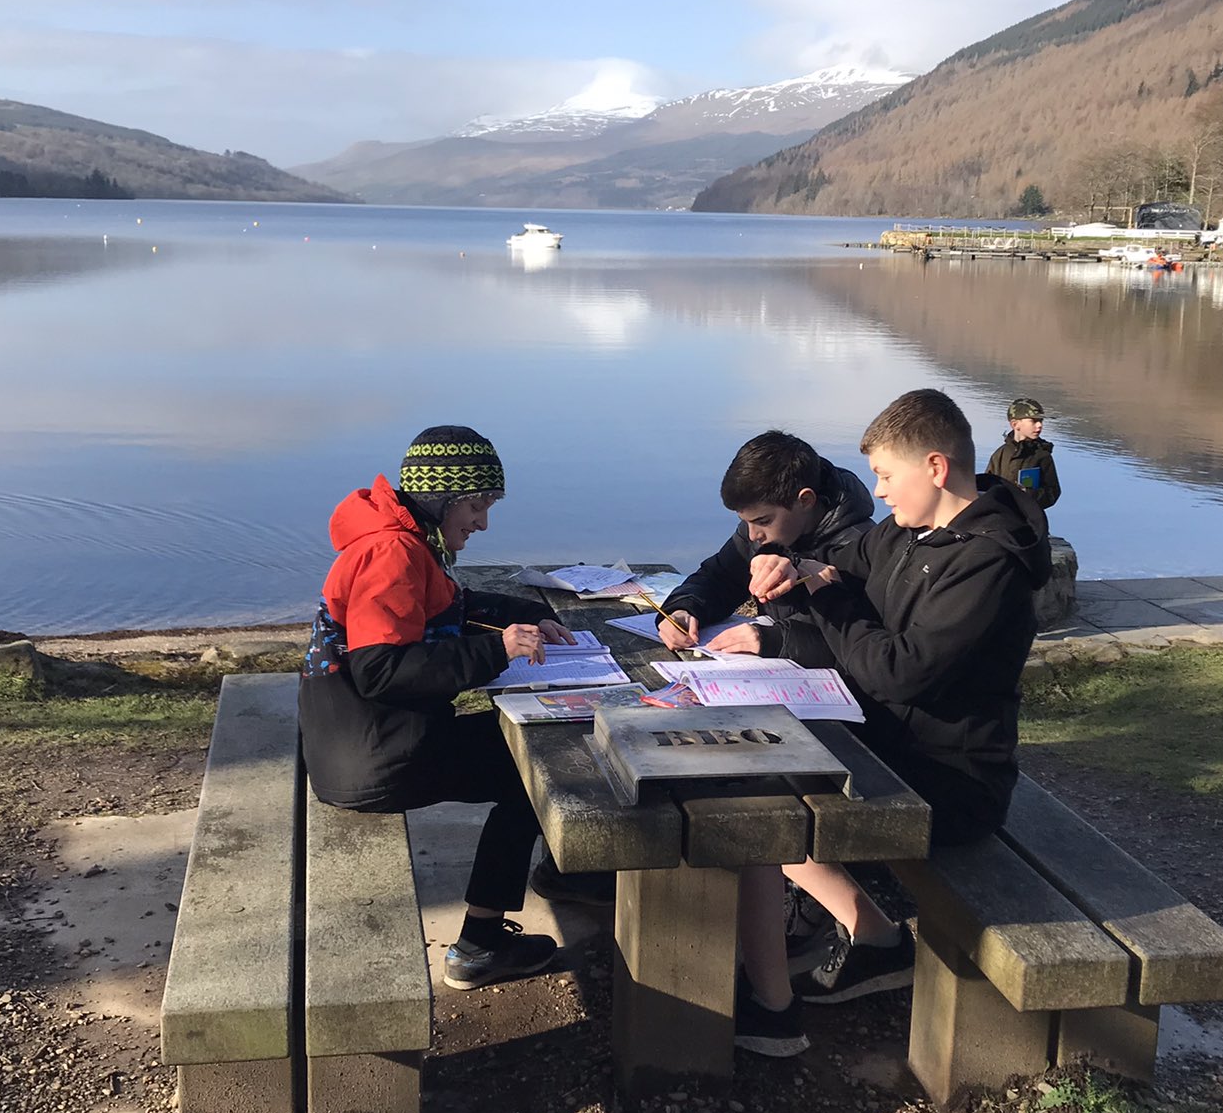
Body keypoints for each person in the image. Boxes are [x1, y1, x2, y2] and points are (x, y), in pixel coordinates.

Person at [710, 388, 1053, 1055]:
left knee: (750, 811)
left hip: (950, 782)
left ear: (933, 467)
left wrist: (823, 600)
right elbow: (838, 571)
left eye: (886, 476)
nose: (877, 491)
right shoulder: (904, 534)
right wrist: (797, 569)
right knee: (739, 773)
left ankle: (772, 1010)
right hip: (891, 744)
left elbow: (898, 670)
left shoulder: (988, 563)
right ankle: (869, 940)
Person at [298, 425, 610, 992]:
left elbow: (452, 605)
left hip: (364, 739)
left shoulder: (406, 538)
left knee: (529, 747)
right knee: (538, 768)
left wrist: (523, 613)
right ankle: (481, 946)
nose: (483, 522)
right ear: (442, 497)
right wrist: (496, 648)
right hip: (372, 758)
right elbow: (381, 671)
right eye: (477, 504)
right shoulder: (390, 552)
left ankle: (567, 872)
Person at [655, 430, 875, 653]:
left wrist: (772, 640)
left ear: (805, 500)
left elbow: (866, 649)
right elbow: (720, 578)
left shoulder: (862, 548)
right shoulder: (765, 530)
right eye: (745, 521)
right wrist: (684, 609)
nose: (752, 535)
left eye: (763, 520)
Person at [984, 396, 1061, 512]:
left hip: (1030, 521)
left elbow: (1053, 493)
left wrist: (1027, 494)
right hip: (1001, 519)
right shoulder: (1000, 454)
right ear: (1015, 424)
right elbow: (986, 486)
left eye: (1041, 421)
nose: (1039, 425)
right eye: (1034, 421)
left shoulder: (1042, 456)